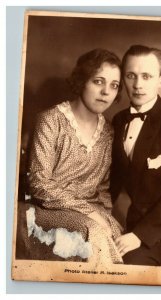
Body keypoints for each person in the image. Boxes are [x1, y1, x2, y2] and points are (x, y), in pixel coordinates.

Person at [25, 48, 123, 267]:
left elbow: (103, 189)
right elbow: (39, 184)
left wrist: (105, 216)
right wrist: (91, 215)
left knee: (119, 235)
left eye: (114, 85)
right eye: (98, 81)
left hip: (92, 213)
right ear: (82, 81)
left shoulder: (108, 131)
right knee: (94, 231)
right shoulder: (50, 120)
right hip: (48, 209)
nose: (106, 92)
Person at [110, 45, 161, 266]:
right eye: (131, 76)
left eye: (146, 76)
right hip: (129, 225)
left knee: (125, 267)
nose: (138, 85)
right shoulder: (119, 120)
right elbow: (113, 181)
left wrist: (139, 235)